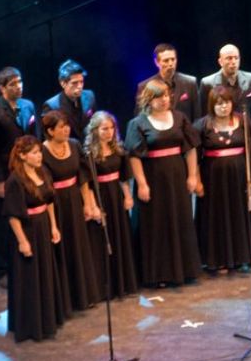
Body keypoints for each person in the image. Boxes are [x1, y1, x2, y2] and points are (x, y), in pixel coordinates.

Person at [125, 79, 201, 287]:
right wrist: (141, 184)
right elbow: (134, 156)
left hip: (176, 177)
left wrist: (192, 176)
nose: (164, 100)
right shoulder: (138, 123)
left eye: (166, 96)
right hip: (153, 179)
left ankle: (184, 270)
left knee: (180, 219)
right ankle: (158, 274)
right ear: (149, 100)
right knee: (156, 224)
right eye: (159, 97)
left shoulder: (179, 118)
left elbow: (191, 148)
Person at [3, 136, 69, 342]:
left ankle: (48, 318)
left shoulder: (43, 171)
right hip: (29, 230)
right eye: (34, 153)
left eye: (40, 151)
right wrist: (23, 241)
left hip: (43, 227)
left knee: (46, 272)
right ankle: (32, 325)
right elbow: (13, 215)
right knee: (30, 277)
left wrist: (54, 226)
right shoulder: (15, 180)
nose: (39, 155)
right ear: (22, 156)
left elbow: (49, 200)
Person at [194, 86, 251, 274]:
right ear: (212, 105)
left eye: (227, 103)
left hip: (239, 179)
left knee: (239, 215)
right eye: (219, 104)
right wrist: (197, 180)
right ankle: (219, 260)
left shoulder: (243, 121)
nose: (224, 107)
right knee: (217, 217)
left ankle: (242, 257)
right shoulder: (202, 125)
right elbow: (195, 157)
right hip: (213, 180)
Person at [0, 66, 37, 288]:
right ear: (2, 88)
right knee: (3, 221)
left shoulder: (27, 106)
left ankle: (25, 259)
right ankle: (2, 270)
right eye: (13, 84)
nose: (19, 87)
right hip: (6, 174)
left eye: (20, 82)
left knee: (28, 213)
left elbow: (33, 137)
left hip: (26, 170)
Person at [41, 110, 100, 309]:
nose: (66, 130)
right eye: (61, 127)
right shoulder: (42, 152)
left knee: (79, 245)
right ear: (50, 131)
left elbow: (83, 177)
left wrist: (88, 204)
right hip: (56, 204)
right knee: (62, 249)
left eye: (67, 125)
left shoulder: (74, 145)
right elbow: (46, 188)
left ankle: (84, 295)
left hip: (74, 200)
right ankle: (66, 300)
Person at [83, 111, 138, 298]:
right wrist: (93, 206)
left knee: (120, 235)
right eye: (104, 129)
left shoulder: (119, 150)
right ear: (95, 130)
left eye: (111, 128)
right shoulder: (89, 154)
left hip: (116, 195)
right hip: (100, 197)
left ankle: (124, 282)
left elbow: (123, 178)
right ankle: (105, 286)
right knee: (101, 239)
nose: (108, 132)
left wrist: (128, 197)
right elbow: (88, 184)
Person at [199, 43, 251, 123]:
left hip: (245, 130)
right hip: (219, 130)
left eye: (236, 58)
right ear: (220, 61)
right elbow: (203, 114)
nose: (233, 62)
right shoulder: (208, 83)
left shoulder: (250, 79)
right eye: (229, 58)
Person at [136, 43, 200, 121]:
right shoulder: (145, 86)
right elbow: (140, 117)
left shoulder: (190, 83)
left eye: (173, 59)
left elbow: (197, 116)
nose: (170, 64)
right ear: (156, 62)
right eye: (166, 61)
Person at [42, 59, 96, 141]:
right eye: (75, 83)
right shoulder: (52, 105)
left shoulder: (89, 96)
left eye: (81, 82)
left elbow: (95, 124)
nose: (80, 86)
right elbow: (47, 138)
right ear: (63, 83)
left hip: (88, 148)